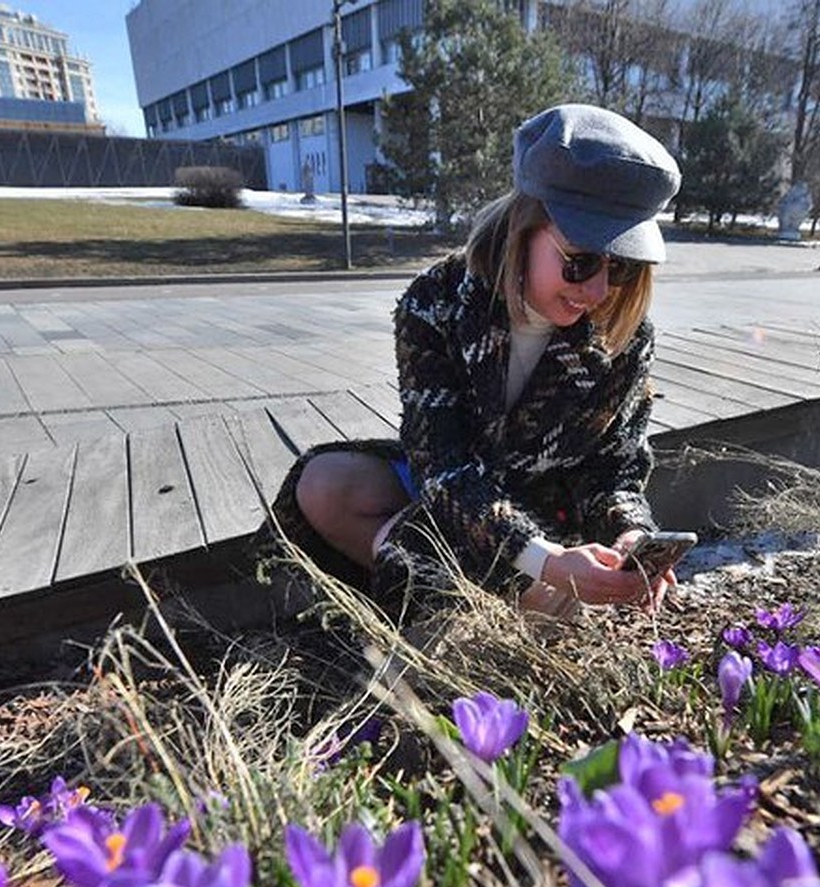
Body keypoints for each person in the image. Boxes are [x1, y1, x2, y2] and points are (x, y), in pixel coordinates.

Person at [270, 103, 682, 621]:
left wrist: (630, 534)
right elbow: (441, 462)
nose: (599, 290)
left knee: (446, 553)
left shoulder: (626, 333)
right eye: (579, 262)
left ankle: (458, 592)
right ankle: (469, 590)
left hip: (551, 515)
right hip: (467, 501)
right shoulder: (436, 302)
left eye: (620, 267)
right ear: (523, 227)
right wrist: (543, 561)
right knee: (325, 485)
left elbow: (615, 469)